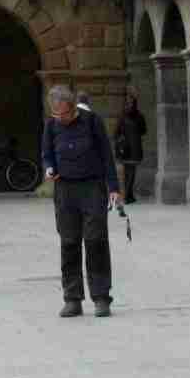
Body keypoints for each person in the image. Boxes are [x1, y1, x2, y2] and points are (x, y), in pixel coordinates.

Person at [40, 83, 122, 318]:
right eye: (56, 114)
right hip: (65, 189)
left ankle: (101, 298)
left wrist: (114, 188)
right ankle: (72, 299)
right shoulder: (51, 125)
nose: (61, 118)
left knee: (96, 240)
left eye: (65, 113)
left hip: (92, 187)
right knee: (69, 242)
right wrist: (48, 169)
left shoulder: (91, 121)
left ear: (73, 106)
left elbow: (107, 155)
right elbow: (46, 154)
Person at [113, 90, 150, 206]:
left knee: (126, 173)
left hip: (125, 149)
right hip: (133, 149)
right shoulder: (139, 116)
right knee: (130, 173)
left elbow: (116, 133)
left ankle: (127, 195)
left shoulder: (122, 116)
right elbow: (144, 131)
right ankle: (128, 195)